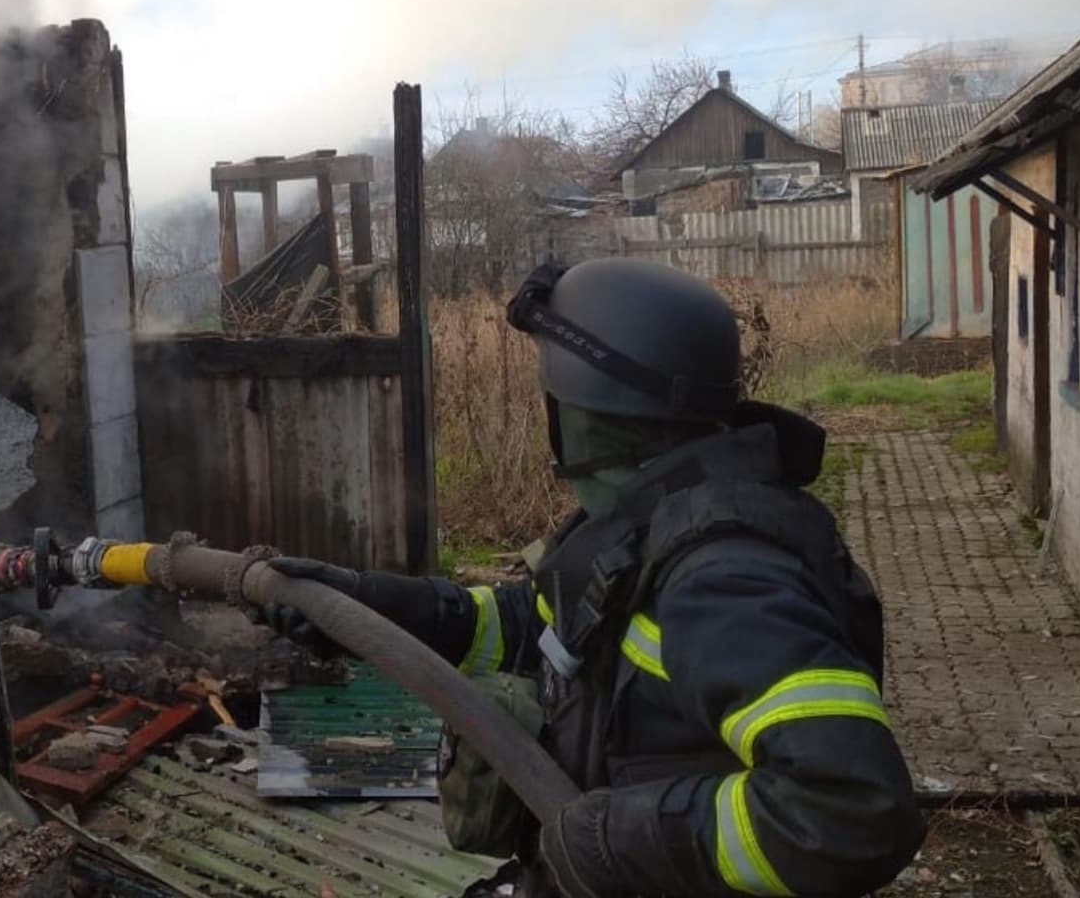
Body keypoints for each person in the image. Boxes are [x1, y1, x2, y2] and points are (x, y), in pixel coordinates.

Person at [256, 258, 924, 897]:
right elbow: (539, 627)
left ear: (592, 410)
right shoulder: (654, 520)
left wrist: (615, 838)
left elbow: (850, 813)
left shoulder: (723, 577)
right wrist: (362, 604)